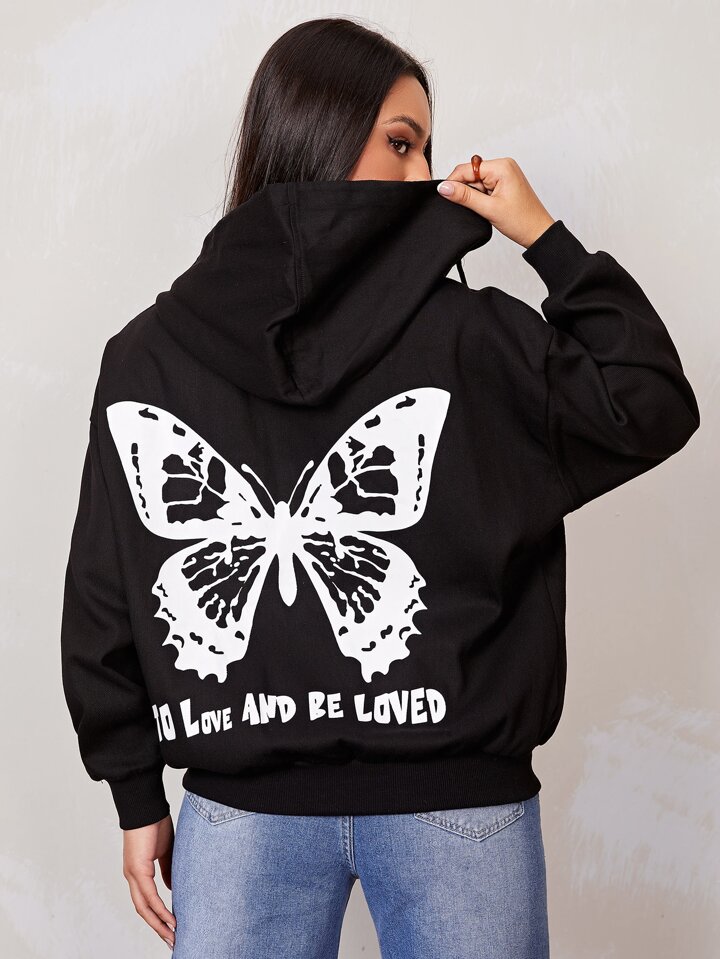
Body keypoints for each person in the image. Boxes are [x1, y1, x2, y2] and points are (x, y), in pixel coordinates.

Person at [59, 16, 700, 959]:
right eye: (402, 143)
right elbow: (644, 394)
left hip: (258, 808)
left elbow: (104, 590)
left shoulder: (148, 356)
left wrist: (134, 789)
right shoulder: (474, 339)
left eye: (428, 148)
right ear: (316, 133)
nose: (426, 175)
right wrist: (544, 237)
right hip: (446, 800)